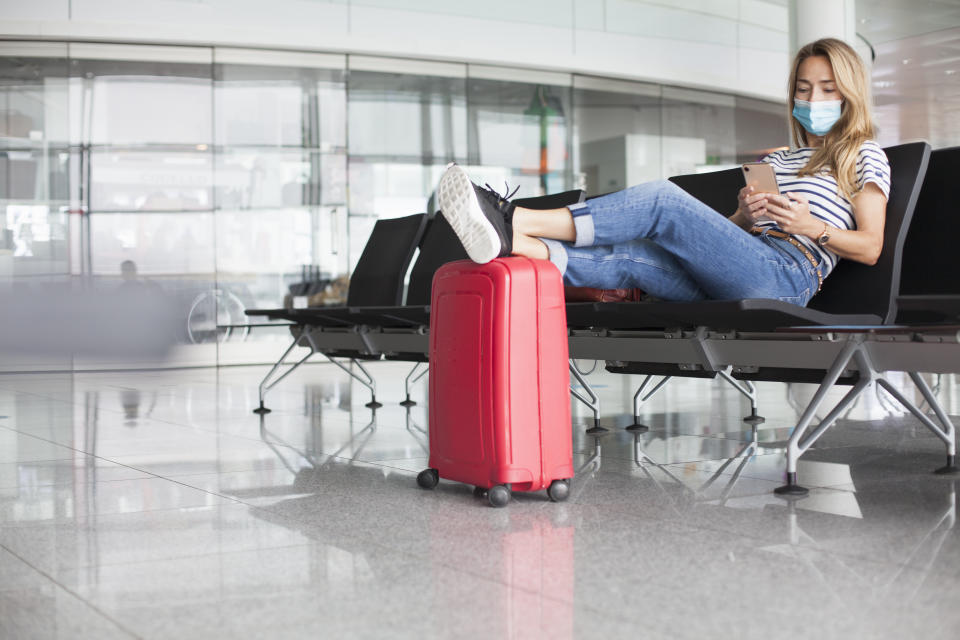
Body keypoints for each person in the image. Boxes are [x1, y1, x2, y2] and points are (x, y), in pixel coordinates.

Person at [435, 38, 890, 306]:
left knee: (662, 200)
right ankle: (513, 243)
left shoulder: (862, 153)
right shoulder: (776, 161)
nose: (812, 100)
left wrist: (812, 226)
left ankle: (513, 218)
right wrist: (744, 218)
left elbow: (871, 247)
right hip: (744, 266)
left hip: (788, 275)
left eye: (827, 89)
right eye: (804, 89)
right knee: (632, 257)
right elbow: (726, 242)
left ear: (849, 93)